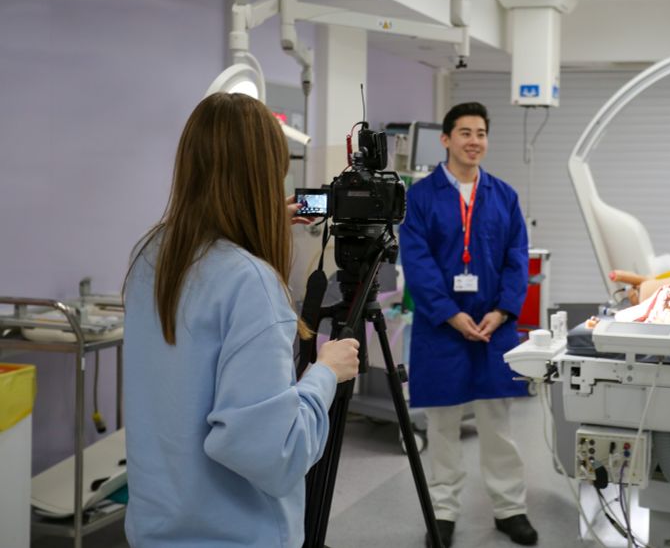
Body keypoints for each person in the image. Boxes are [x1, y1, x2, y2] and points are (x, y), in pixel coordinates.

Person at [122, 92, 360, 547]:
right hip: (236, 534)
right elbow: (274, 453)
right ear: (266, 175)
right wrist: (326, 374)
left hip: (157, 526)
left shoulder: (151, 256)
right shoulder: (250, 282)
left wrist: (258, 225)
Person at [399, 101, 537, 547]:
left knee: (498, 425)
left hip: (493, 328)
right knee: (442, 427)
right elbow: (417, 263)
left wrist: (503, 311)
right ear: (446, 139)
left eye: (481, 133)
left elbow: (517, 259)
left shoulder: (503, 196)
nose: (474, 141)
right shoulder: (421, 198)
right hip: (442, 328)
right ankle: (442, 511)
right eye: (465, 133)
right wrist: (451, 314)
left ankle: (510, 508)